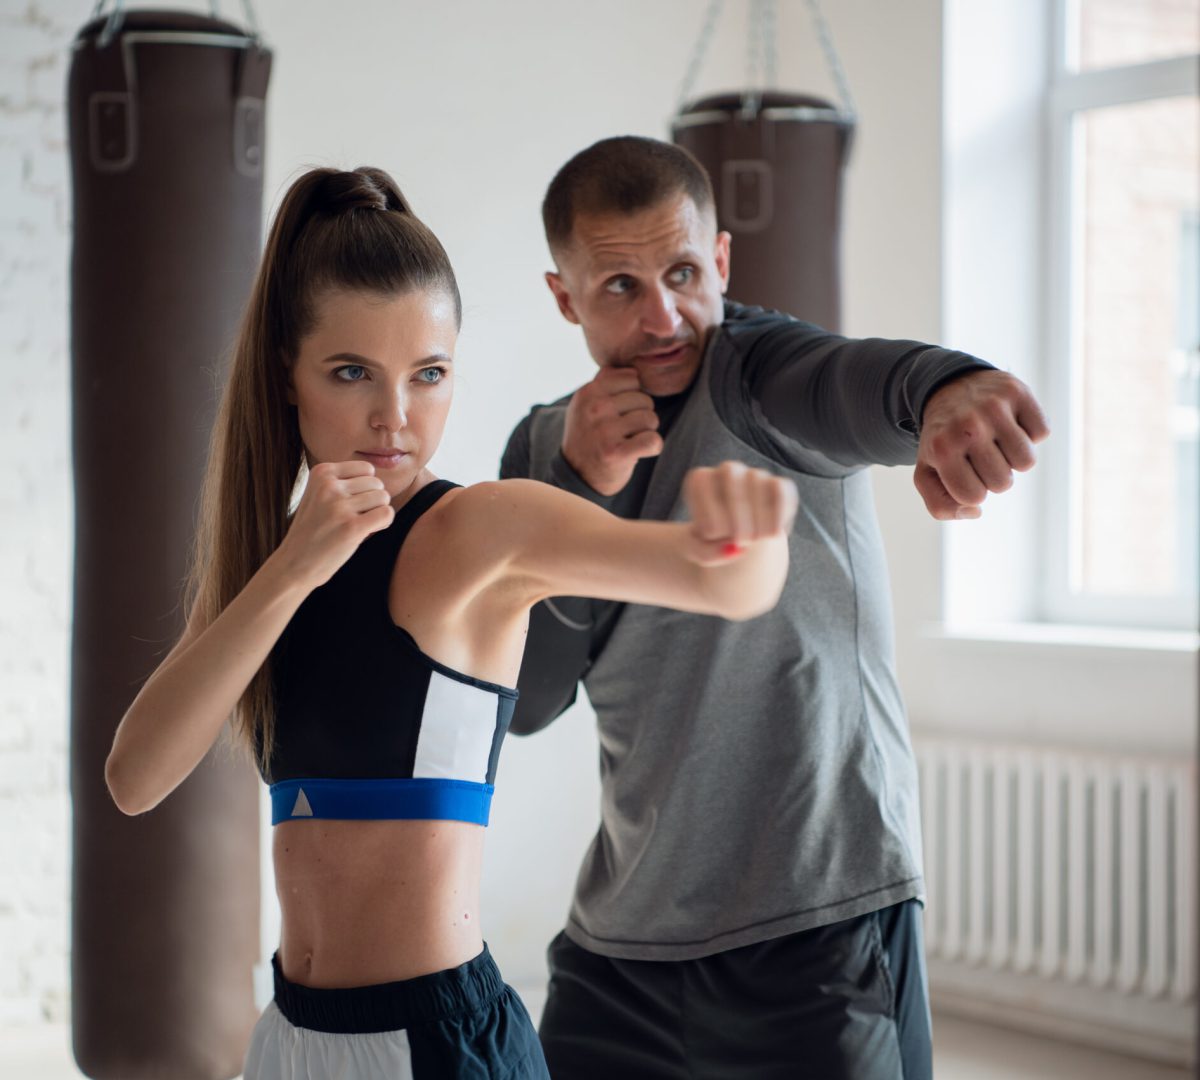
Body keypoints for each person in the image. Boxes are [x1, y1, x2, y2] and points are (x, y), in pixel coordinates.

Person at [102, 165, 799, 1080]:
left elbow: (717, 583)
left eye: (428, 375)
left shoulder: (478, 532)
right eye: (352, 373)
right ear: (288, 375)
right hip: (288, 1035)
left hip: (431, 1043)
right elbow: (135, 778)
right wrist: (294, 566)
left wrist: (755, 542)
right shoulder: (274, 560)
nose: (395, 420)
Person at [500, 136, 1051, 1079]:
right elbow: (531, 699)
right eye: (620, 288)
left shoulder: (758, 374)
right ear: (565, 297)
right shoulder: (543, 446)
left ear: (719, 260)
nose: (665, 315)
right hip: (619, 945)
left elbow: (850, 379)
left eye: (682, 272)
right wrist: (577, 488)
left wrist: (946, 387)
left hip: (818, 925)